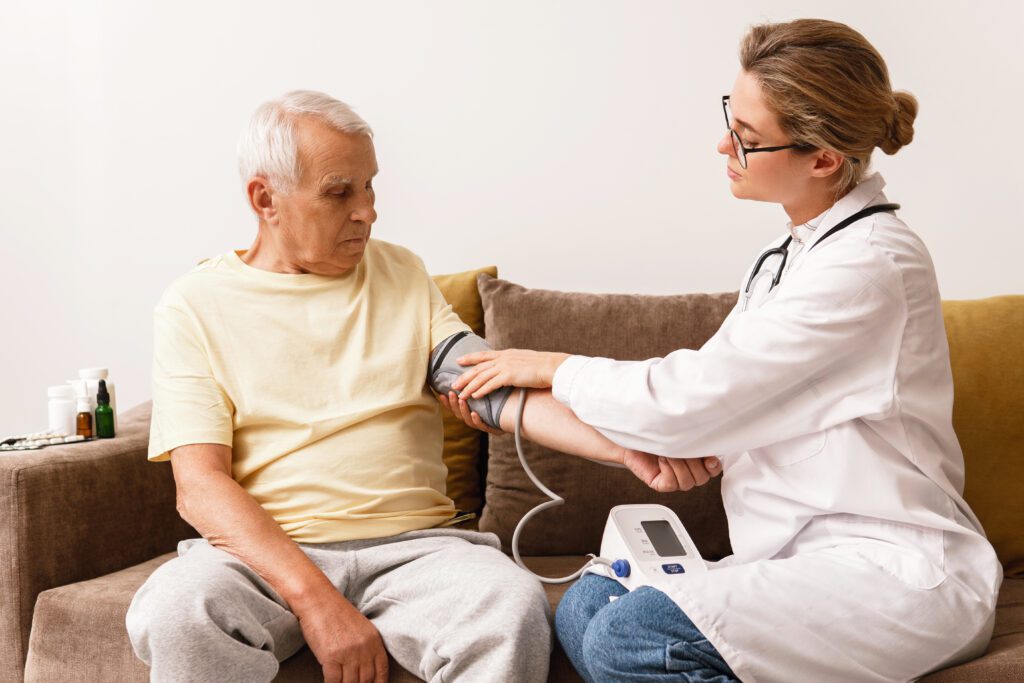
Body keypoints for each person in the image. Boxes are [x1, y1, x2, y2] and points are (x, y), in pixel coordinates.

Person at [441, 19, 1002, 683]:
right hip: (794, 562)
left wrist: (551, 367)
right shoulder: (783, 259)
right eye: (730, 119)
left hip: (892, 571)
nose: (723, 144)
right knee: (588, 604)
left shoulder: (872, 265)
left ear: (821, 159)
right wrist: (657, 442)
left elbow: (691, 398)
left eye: (748, 138)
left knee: (630, 634)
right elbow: (714, 408)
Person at [126, 90, 704, 683]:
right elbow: (198, 487)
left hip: (417, 551)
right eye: (339, 192)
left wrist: (628, 448)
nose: (367, 212)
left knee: (509, 606)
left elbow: (500, 391)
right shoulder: (193, 305)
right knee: (178, 611)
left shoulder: (401, 273)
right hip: (266, 557)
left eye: (370, 186)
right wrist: (318, 601)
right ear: (265, 198)